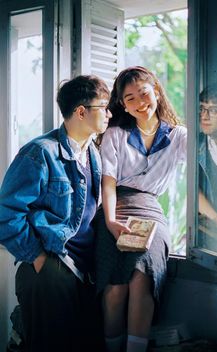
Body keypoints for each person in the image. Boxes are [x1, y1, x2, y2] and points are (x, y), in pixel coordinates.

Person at [0, 75, 112, 352]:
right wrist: (37, 257)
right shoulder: (40, 153)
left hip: (82, 271)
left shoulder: (92, 154)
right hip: (51, 267)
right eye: (104, 107)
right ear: (81, 111)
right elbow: (5, 214)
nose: (110, 114)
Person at [95, 66, 187, 352]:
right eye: (130, 98)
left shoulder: (179, 136)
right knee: (115, 286)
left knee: (141, 278)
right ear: (122, 104)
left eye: (144, 93)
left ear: (156, 91)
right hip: (115, 206)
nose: (139, 103)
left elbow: (206, 168)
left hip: (150, 209)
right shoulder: (115, 134)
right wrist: (110, 221)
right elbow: (108, 184)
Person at [198, 82, 217, 253]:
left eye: (214, 110)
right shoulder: (196, 145)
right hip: (206, 236)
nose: (205, 116)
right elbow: (191, 189)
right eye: (202, 108)